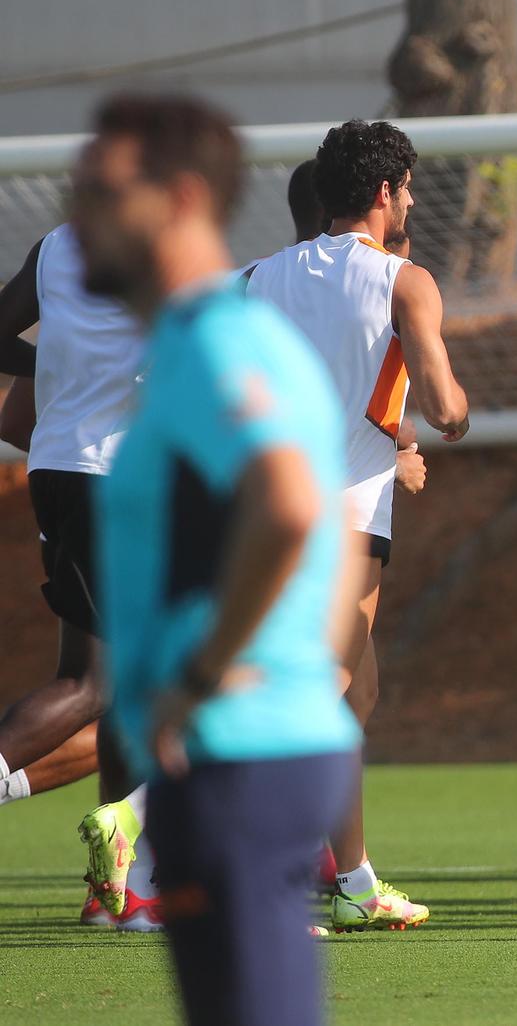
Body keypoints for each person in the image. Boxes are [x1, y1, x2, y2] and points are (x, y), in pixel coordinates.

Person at [74, 91, 359, 1026]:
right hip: (249, 748)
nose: (78, 212)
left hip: (239, 755)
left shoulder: (217, 343)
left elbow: (286, 502)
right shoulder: (204, 344)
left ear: (183, 197)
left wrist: (206, 672)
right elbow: (335, 533)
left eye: (102, 189)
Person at [245, 120, 470, 931]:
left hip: (266, 517)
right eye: (407, 188)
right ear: (383, 193)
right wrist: (444, 412)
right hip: (343, 520)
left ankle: (352, 881)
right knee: (326, 695)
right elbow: (445, 408)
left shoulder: (258, 278)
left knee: (353, 688)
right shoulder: (403, 280)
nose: (410, 201)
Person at [0, 219, 150, 927]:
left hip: (57, 464)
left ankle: (114, 892)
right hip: (112, 477)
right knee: (94, 684)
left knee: (120, 687)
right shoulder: (164, 245)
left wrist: (56, 365)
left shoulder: (60, 242)